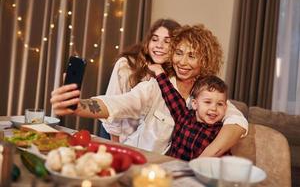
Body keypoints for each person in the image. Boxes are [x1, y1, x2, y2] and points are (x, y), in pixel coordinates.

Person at [51, 24, 248, 156]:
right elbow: (118, 103)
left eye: (192, 56)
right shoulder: (155, 87)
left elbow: (237, 122)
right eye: (178, 53)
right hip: (143, 166)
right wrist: (78, 106)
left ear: (204, 60)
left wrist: (204, 161)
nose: (183, 62)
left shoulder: (209, 95)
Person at [101, 19, 181, 142]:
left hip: (147, 143)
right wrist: (116, 145)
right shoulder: (127, 65)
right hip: (119, 136)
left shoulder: (175, 73)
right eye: (155, 39)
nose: (159, 45)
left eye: (167, 41)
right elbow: (112, 107)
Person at [148, 62, 229, 161]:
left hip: (197, 174)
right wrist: (159, 71)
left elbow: (225, 161)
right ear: (195, 104)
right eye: (208, 102)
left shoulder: (220, 132)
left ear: (225, 107)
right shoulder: (184, 116)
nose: (214, 108)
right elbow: (171, 94)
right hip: (172, 169)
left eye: (220, 104)